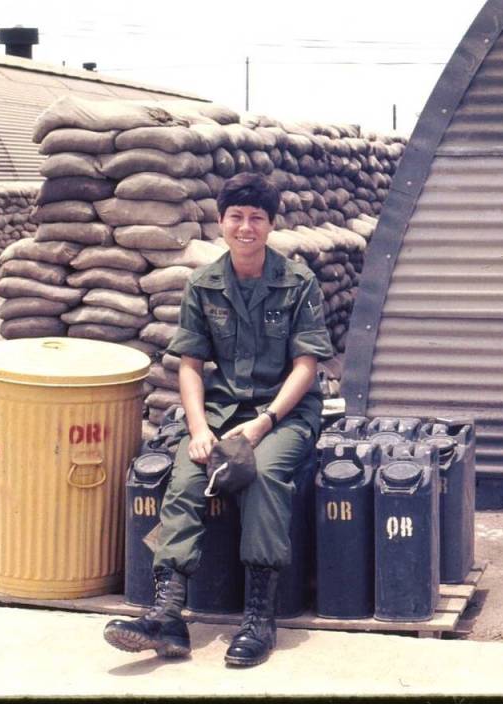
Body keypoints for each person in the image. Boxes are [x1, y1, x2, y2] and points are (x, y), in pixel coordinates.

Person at [103, 172, 334, 667]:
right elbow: (189, 364)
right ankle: (167, 617)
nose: (245, 227)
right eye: (236, 217)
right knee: (185, 476)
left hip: (285, 413)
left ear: (271, 225)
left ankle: (259, 618)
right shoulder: (203, 284)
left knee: (264, 475)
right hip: (222, 411)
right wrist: (200, 429)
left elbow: (306, 366)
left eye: (256, 218)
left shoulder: (298, 283)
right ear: (221, 222)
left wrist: (265, 422)